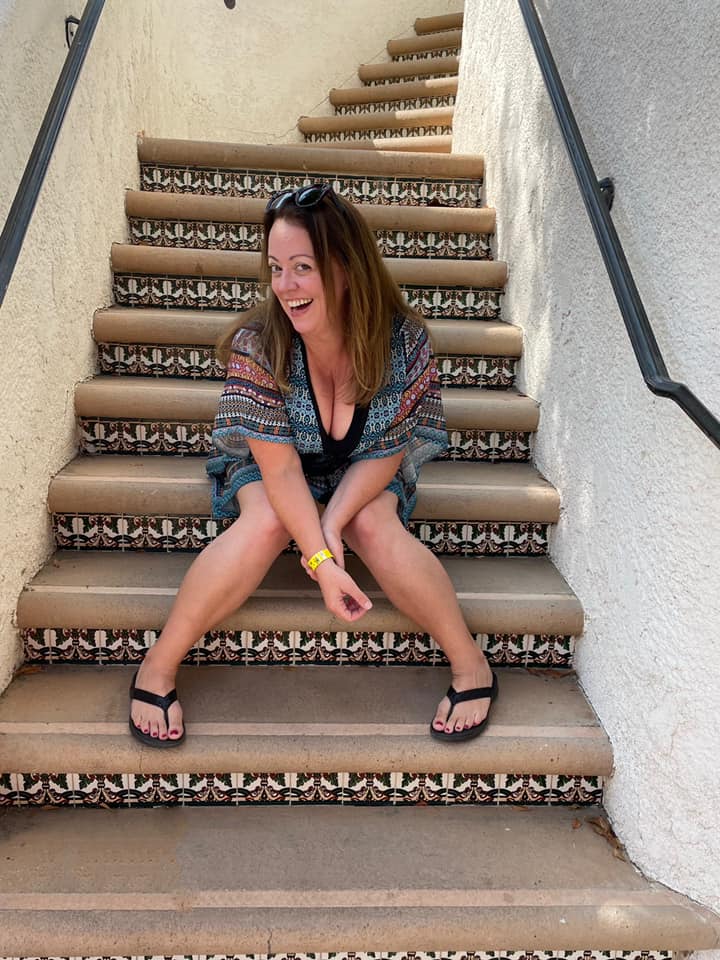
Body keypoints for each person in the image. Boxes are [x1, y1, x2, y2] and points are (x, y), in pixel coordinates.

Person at [128, 183, 498, 748]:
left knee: (372, 522)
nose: (285, 287)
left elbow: (387, 451)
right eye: (276, 268)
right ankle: (158, 665)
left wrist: (332, 523)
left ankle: (472, 665)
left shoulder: (405, 342)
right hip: (271, 464)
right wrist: (324, 562)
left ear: (346, 268)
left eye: (302, 267)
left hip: (367, 465)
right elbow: (278, 475)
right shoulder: (261, 346)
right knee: (268, 521)